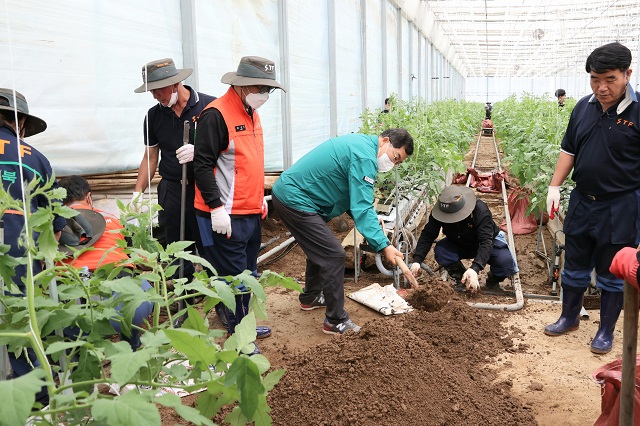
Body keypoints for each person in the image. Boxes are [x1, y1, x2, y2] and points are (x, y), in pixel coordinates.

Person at [544, 42, 640, 354]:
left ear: (627, 74)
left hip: (621, 205)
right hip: (584, 200)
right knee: (574, 263)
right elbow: (569, 149)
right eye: (594, 79)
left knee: (612, 271)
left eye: (609, 79)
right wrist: (554, 186)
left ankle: (605, 331)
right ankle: (569, 316)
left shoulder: (638, 112)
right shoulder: (582, 107)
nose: (601, 88)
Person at [271, 128, 413, 334]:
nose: (393, 163)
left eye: (398, 162)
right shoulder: (365, 156)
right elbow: (362, 208)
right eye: (395, 156)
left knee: (321, 249)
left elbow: (354, 199)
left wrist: (372, 222)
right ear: (385, 141)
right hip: (295, 198)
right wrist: (384, 245)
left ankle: (310, 296)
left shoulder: (362, 146)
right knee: (334, 255)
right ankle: (335, 320)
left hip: (298, 196)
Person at [193, 56, 285, 352]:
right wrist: (216, 208)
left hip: (249, 212)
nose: (266, 95)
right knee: (235, 279)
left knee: (249, 272)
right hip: (225, 215)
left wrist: (259, 198)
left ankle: (241, 322)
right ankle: (240, 337)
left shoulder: (251, 112)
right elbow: (202, 165)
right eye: (262, 88)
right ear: (244, 86)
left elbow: (247, 163)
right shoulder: (216, 115)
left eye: (269, 90)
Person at [0, 87, 66, 403]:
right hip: (17, 249)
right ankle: (36, 396)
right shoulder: (35, 159)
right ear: (21, 122)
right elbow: (55, 222)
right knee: (20, 318)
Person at [133, 58, 215, 281]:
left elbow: (227, 150)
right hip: (171, 190)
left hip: (202, 188)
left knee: (209, 244)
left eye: (158, 90)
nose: (155, 96)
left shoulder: (210, 106)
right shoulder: (153, 116)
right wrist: (137, 193)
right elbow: (150, 157)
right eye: (151, 92)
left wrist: (199, 151)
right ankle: (183, 300)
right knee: (176, 248)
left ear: (175, 84)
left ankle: (219, 300)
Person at [58, 175, 154, 351]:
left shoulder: (53, 227)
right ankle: (131, 346)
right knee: (138, 292)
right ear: (88, 197)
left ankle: (78, 359)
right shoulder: (113, 220)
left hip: (74, 309)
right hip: (123, 305)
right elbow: (141, 260)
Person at [409, 185, 518, 293]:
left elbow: (486, 242)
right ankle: (461, 277)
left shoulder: (480, 211)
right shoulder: (439, 212)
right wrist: (417, 260)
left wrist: (475, 268)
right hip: (458, 242)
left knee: (505, 262)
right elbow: (428, 235)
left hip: (485, 243)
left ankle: (493, 281)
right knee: (441, 251)